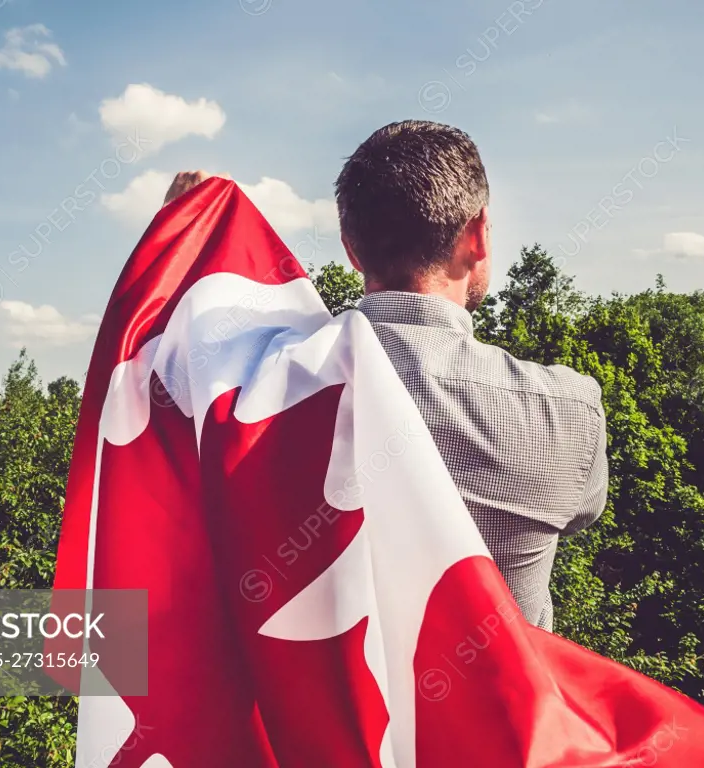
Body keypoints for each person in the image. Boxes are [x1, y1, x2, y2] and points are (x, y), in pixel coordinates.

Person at [161, 120, 608, 631]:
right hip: (501, 708)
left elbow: (163, 382)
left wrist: (182, 234)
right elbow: (584, 510)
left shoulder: (252, 391)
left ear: (351, 250)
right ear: (477, 234)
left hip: (307, 711)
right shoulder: (566, 411)